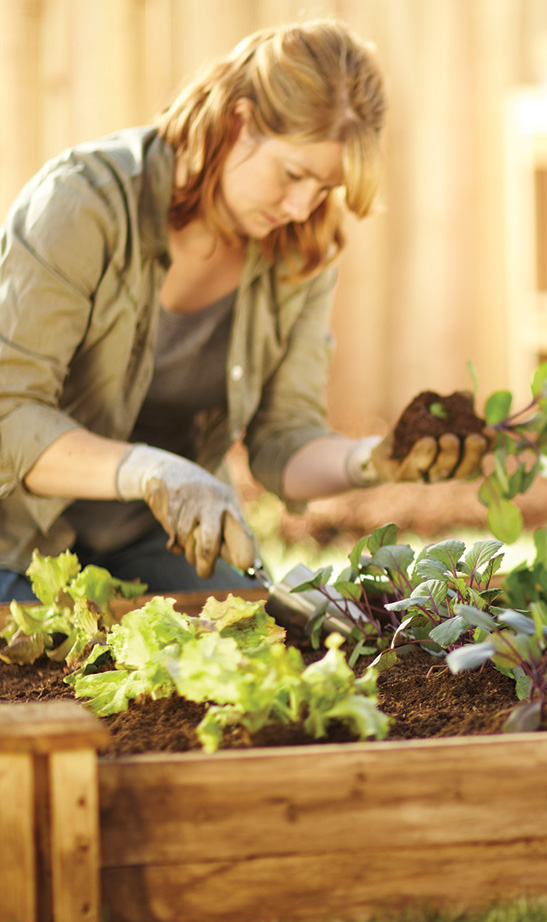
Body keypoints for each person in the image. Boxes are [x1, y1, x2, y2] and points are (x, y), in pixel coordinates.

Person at [0, 19, 489, 602]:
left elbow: (284, 439)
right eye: (293, 174)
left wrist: (373, 461)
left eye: (323, 188)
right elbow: (10, 417)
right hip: (20, 541)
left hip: (161, 542)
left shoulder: (300, 248)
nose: (303, 205)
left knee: (258, 643)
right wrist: (153, 471)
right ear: (240, 122)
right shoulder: (83, 204)